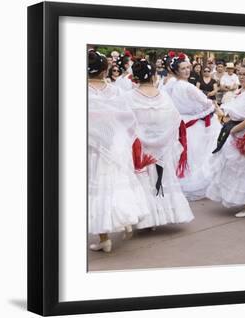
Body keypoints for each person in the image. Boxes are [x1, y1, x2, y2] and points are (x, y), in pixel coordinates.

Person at [87, 50, 149, 253]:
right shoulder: (115, 91)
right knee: (116, 185)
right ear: (105, 70)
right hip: (115, 145)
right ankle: (125, 219)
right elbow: (128, 118)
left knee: (97, 190)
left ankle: (104, 237)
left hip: (93, 147)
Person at [122, 59, 194, 230]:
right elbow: (175, 120)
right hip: (162, 146)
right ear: (154, 75)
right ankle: (163, 215)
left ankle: (148, 220)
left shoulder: (127, 97)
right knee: (163, 179)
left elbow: (124, 123)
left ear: (134, 77)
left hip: (140, 149)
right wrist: (163, 139)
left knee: (143, 181)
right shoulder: (163, 96)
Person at [206, 64, 245, 217]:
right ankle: (243, 200)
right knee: (233, 167)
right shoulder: (240, 91)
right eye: (239, 73)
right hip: (236, 131)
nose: (241, 76)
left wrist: (232, 130)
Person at [169, 53, 222, 201]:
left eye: (187, 68)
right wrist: (214, 107)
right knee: (200, 155)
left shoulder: (172, 84)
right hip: (195, 125)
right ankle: (199, 183)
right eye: (183, 68)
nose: (186, 71)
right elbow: (206, 102)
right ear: (176, 71)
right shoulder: (186, 86)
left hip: (184, 123)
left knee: (192, 155)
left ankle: (187, 180)